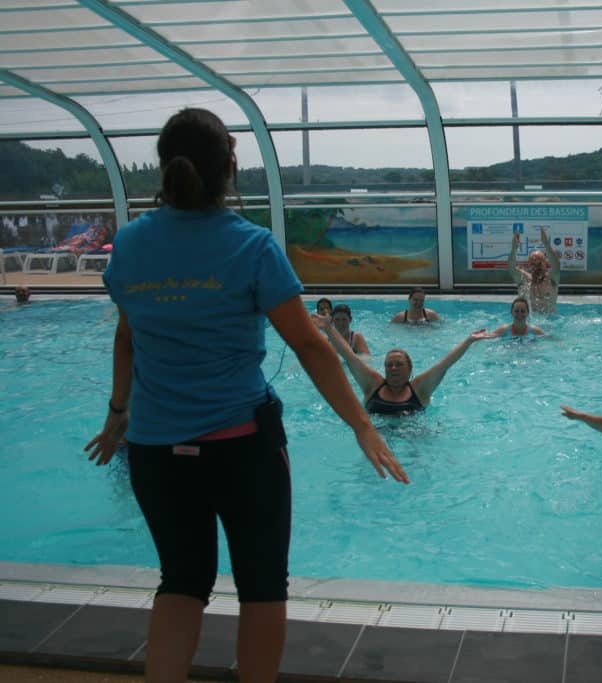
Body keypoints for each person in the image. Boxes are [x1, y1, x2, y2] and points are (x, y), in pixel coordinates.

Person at [82, 108, 408, 683]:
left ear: (164, 167)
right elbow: (310, 347)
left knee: (180, 582)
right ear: (230, 167)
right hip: (242, 448)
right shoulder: (251, 246)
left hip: (155, 450)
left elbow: (126, 336)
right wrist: (361, 424)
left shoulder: (129, 246)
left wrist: (117, 413)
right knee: (260, 589)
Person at [327, 328, 495, 415]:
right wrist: (328, 329)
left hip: (414, 438)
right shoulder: (372, 384)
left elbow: (445, 364)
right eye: (389, 364)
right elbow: (350, 357)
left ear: (409, 369)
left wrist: (468, 341)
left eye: (399, 364)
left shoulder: (420, 389)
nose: (393, 368)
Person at [508, 227, 560, 315]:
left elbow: (556, 265)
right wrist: (514, 249)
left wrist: (546, 244)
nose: (536, 264)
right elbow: (512, 268)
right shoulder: (524, 280)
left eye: (539, 261)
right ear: (529, 265)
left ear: (545, 263)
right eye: (533, 262)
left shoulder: (551, 279)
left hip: (550, 324)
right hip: (527, 323)